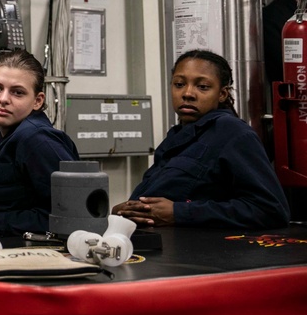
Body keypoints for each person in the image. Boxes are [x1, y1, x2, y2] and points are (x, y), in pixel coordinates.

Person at [112, 49, 290, 229]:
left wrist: (179, 212)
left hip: (201, 245)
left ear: (222, 94)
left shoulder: (232, 132)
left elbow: (271, 210)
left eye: (203, 86)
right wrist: (125, 212)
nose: (187, 93)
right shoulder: (176, 136)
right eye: (179, 84)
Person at [0, 49, 79, 239]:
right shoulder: (0, 140)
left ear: (37, 101)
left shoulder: (37, 140)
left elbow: (75, 215)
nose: (3, 99)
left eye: (17, 92)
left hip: (41, 254)